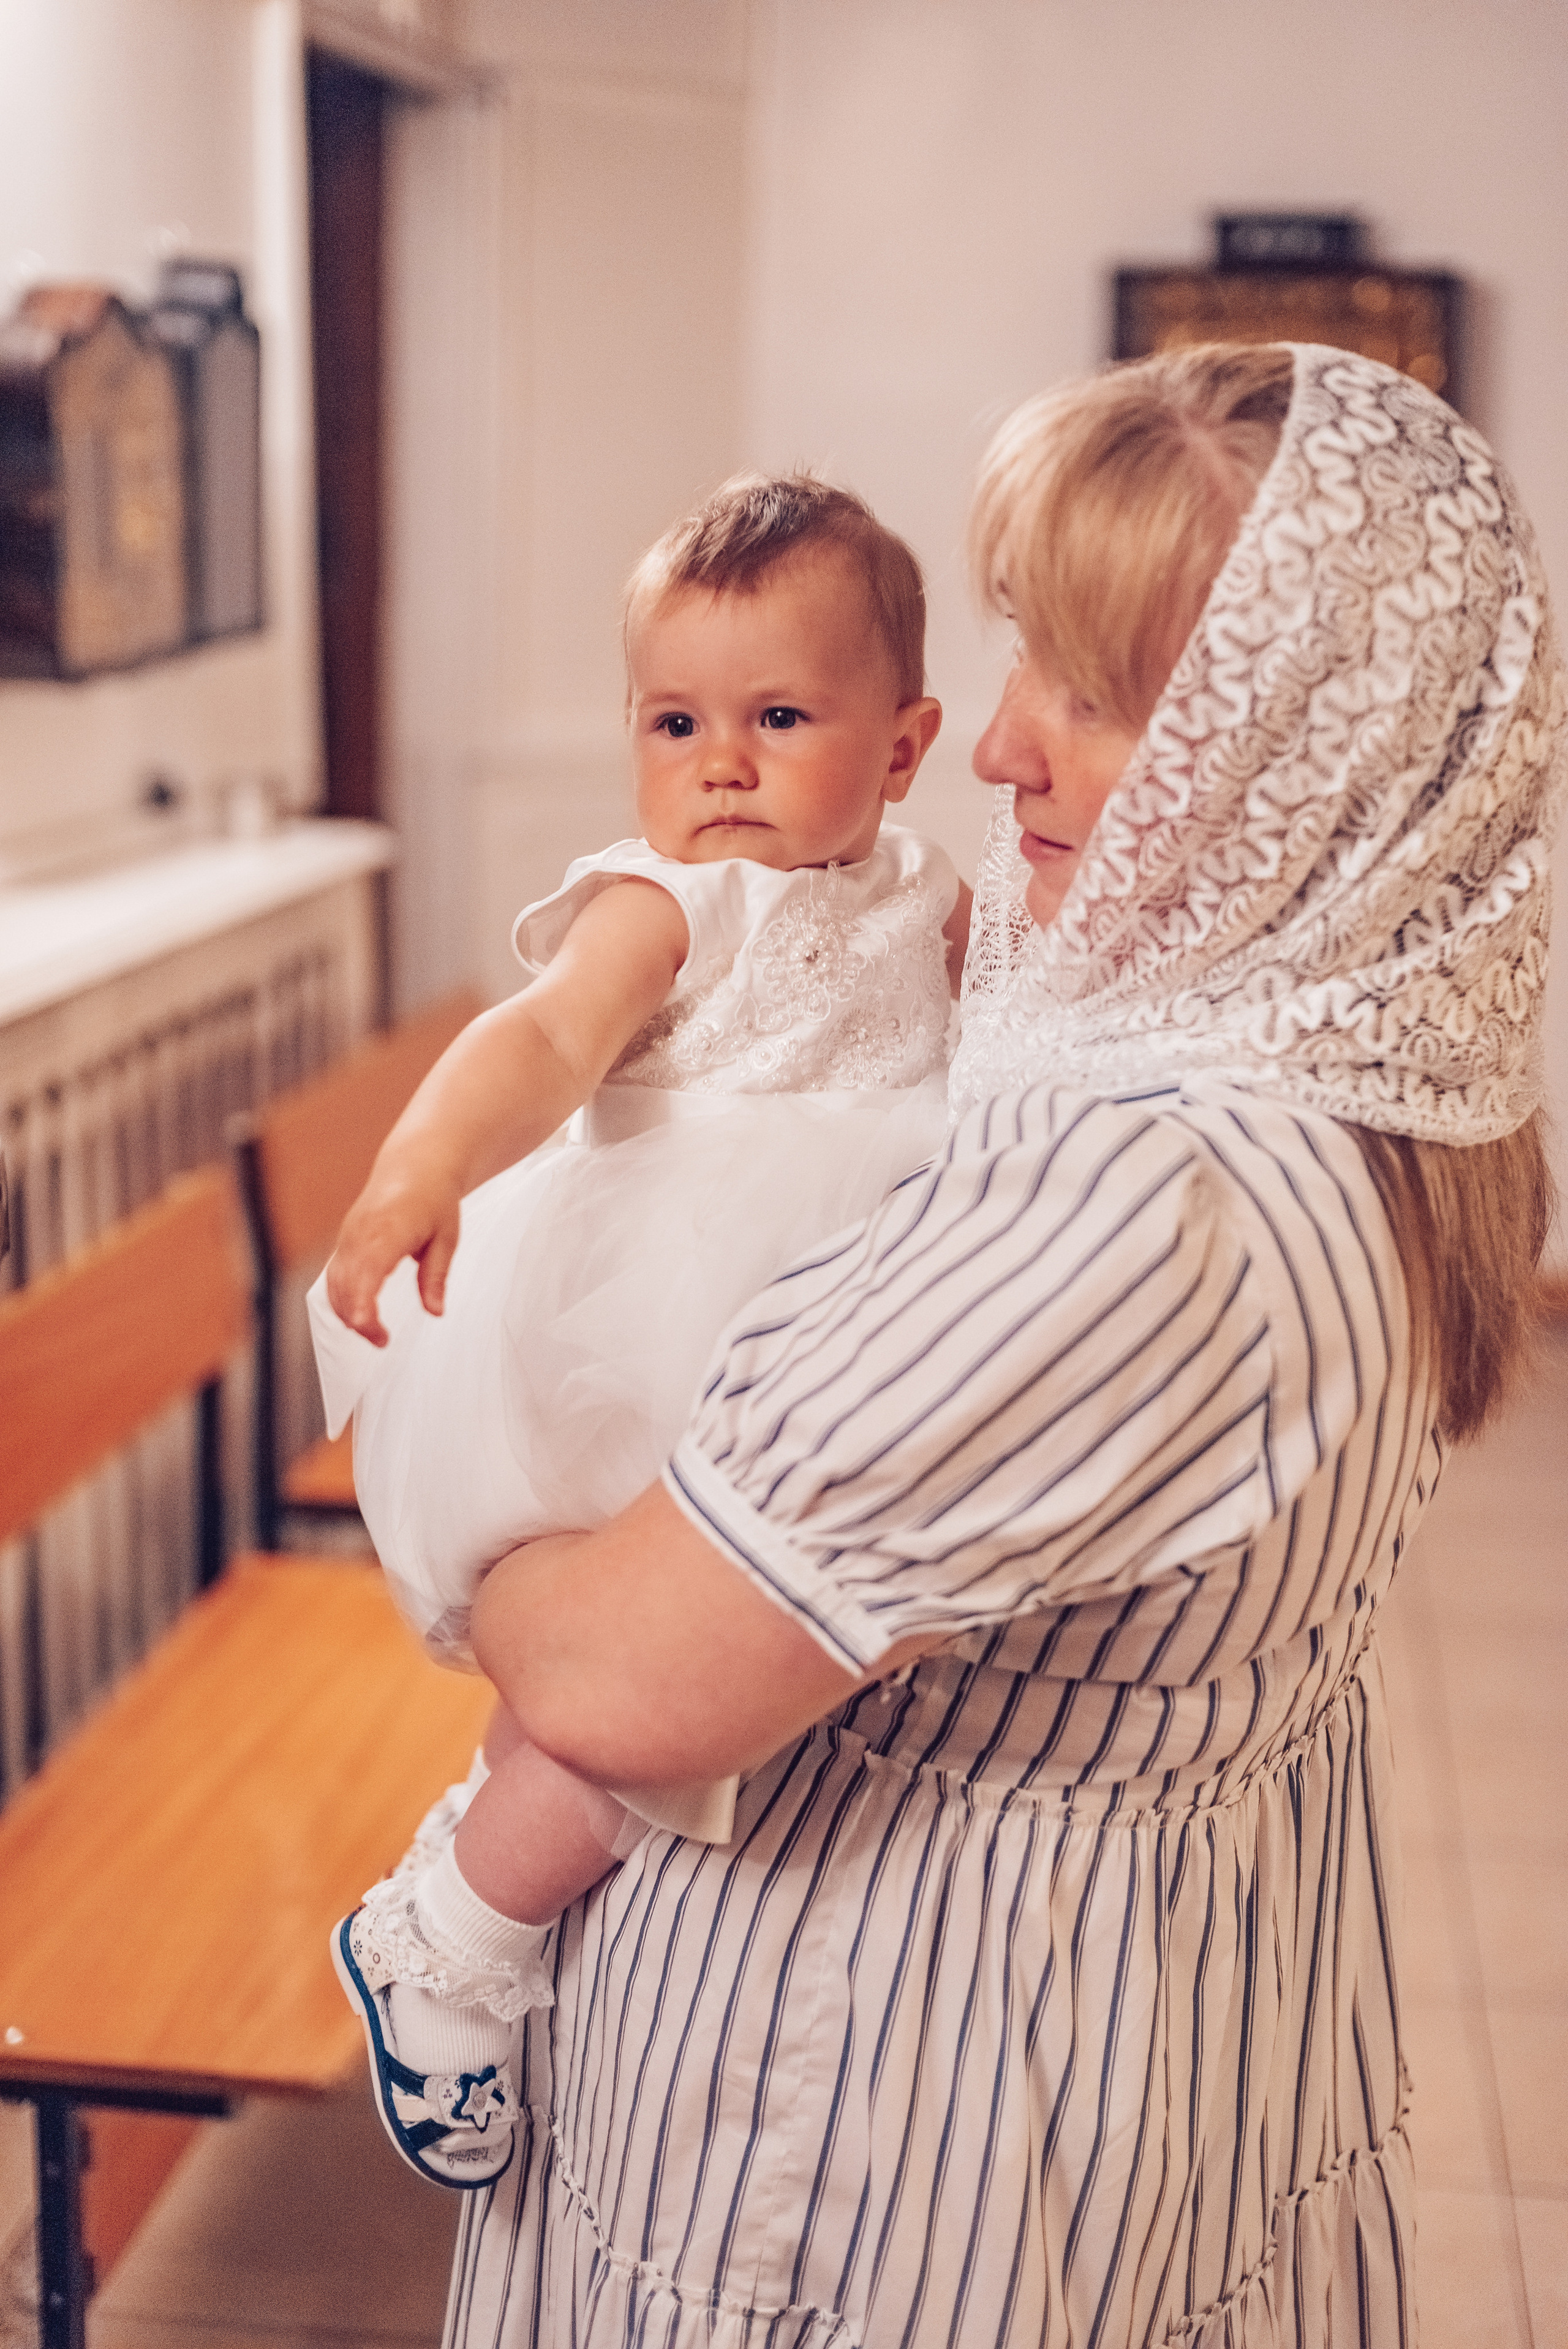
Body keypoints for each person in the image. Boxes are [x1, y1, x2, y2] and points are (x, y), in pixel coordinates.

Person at [431, 343, 1564, 2347]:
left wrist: (474, 1508)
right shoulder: (1385, 1083)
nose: (1001, 746)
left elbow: (621, 1675)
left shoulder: (1151, 1198)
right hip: (1151, 2009)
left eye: (1094, 694)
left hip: (876, 2103)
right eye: (1025, 649)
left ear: (1295, 760)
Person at [306, 475, 971, 2187]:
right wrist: (419, 1171)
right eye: (677, 723)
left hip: (825, 1321)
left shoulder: (925, 891)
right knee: (662, 1678)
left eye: (778, 719)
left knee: (671, 1673)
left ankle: (476, 1866)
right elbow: (538, 1041)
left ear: (905, 748)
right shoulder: (670, 900)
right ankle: (450, 1938)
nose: (722, 765)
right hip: (658, 1326)